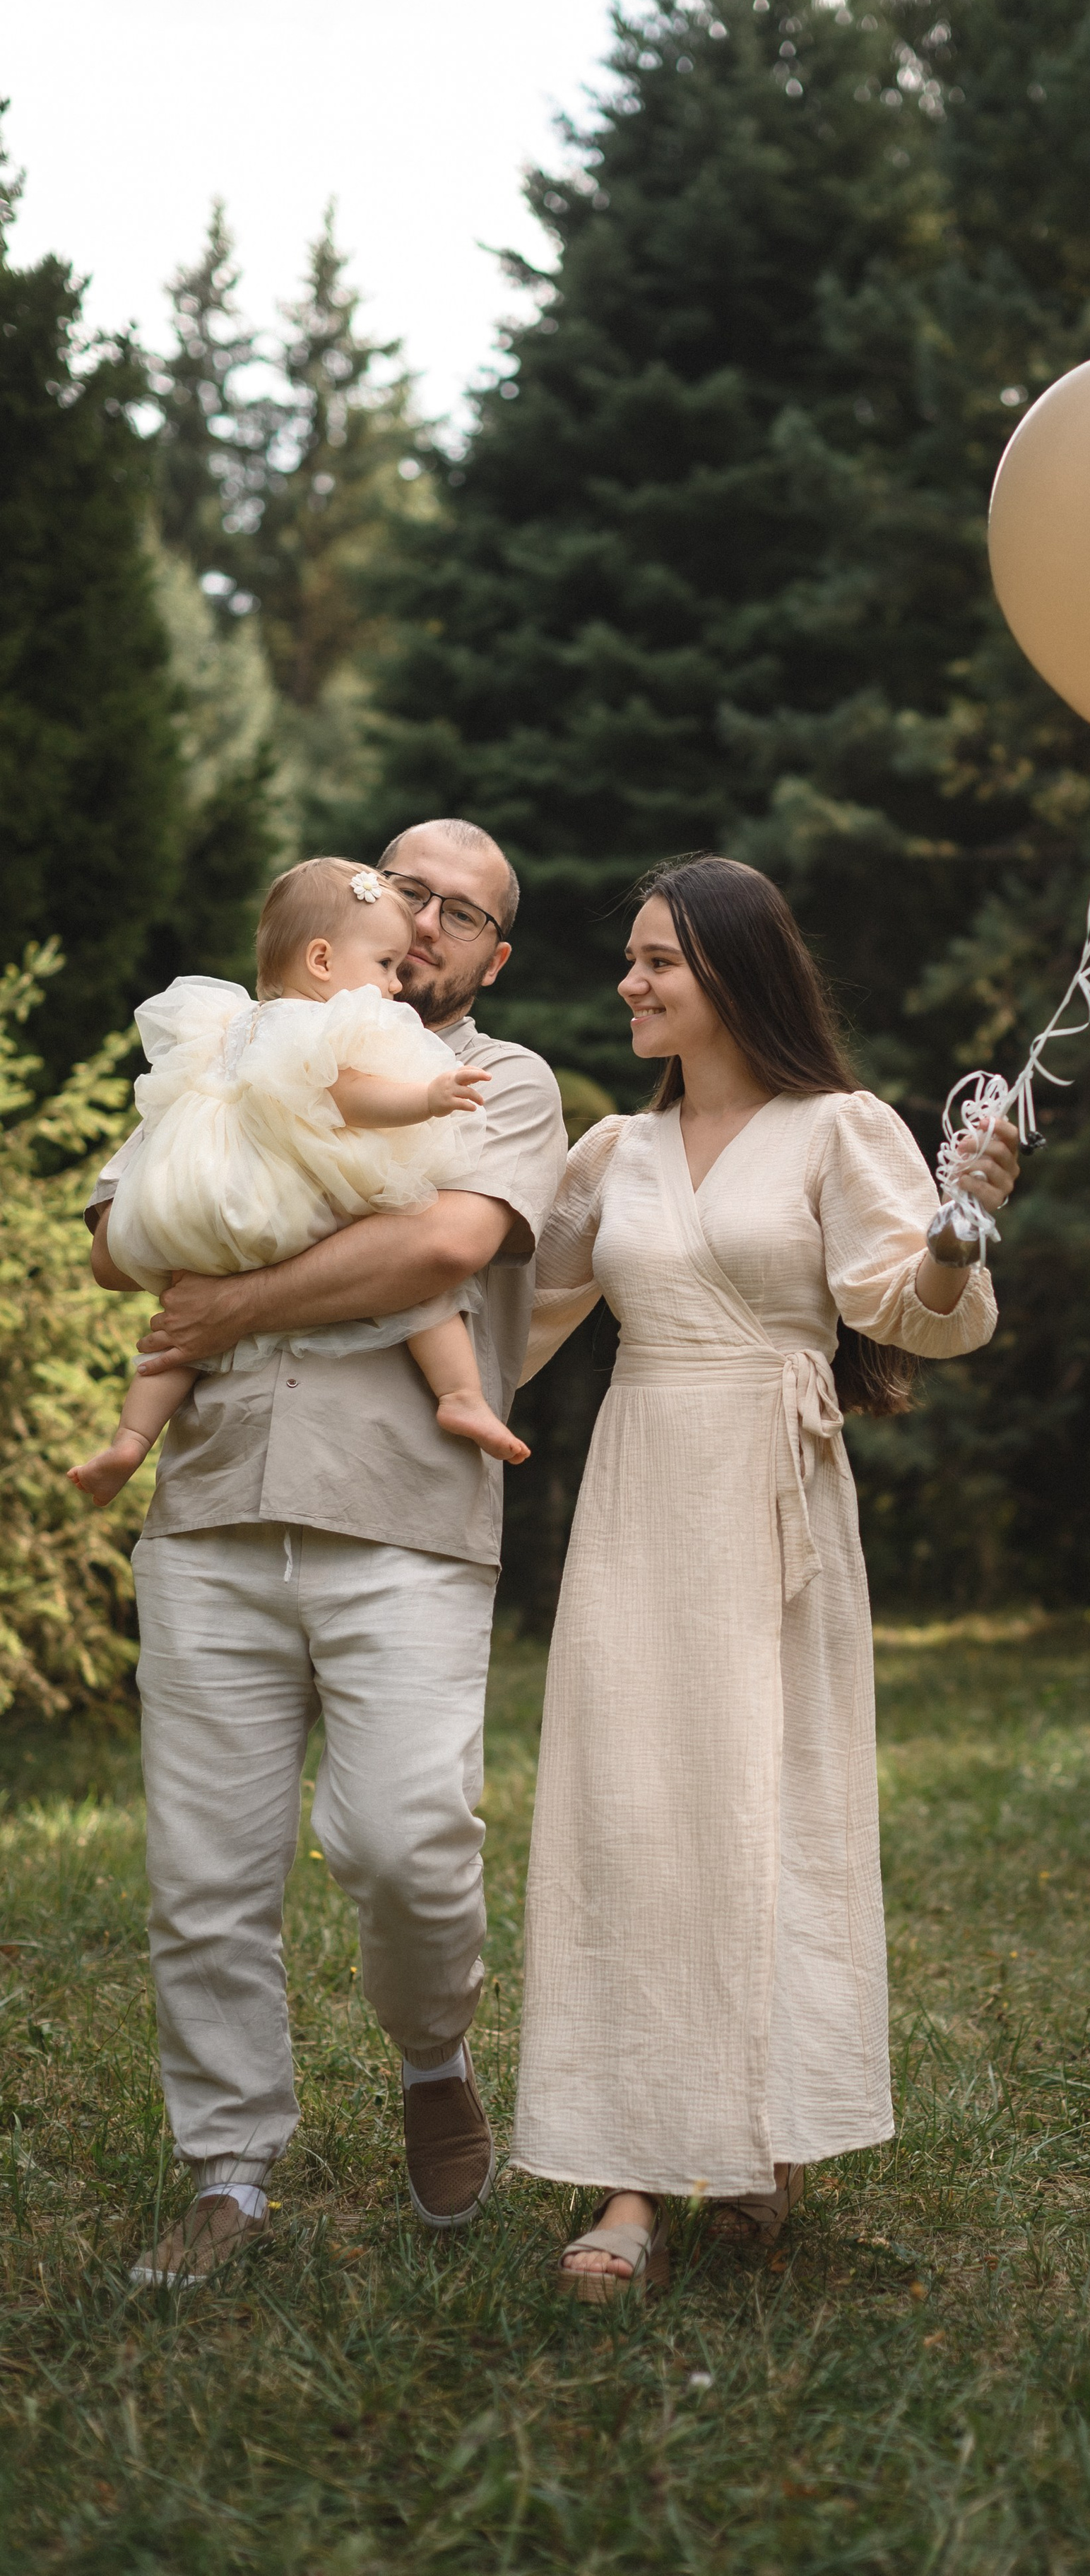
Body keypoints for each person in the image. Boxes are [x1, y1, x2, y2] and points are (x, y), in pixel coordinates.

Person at [511, 854, 1019, 2299]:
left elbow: (923, 1315)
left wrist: (956, 1230)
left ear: (734, 971)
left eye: (656, 960)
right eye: (630, 958)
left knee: (767, 1803)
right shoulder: (611, 1152)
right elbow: (505, 1315)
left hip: (774, 1492)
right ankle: (629, 2175)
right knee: (628, 1810)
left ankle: (761, 2134)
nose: (628, 982)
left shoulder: (837, 1128)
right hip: (639, 1494)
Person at [87, 819, 566, 2290]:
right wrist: (207, 1223)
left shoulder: (501, 1081)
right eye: (405, 890)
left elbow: (437, 1247)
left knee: (406, 1840)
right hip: (212, 1506)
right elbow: (118, 1229)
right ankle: (227, 2169)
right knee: (203, 1872)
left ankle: (433, 2054)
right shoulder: (236, 1041)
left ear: (493, 955)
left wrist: (228, 1295)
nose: (424, 921)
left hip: (404, 1512)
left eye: (459, 912)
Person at [71, 857, 526, 1509]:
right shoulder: (321, 1026)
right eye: (385, 964)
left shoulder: (229, 1025)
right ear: (321, 960)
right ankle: (460, 1395)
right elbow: (350, 1097)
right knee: (408, 1262)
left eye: (459, 913)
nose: (394, 982)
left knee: (184, 1327)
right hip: (282, 1199)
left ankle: (130, 1438)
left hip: (195, 1202)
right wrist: (426, 1097)